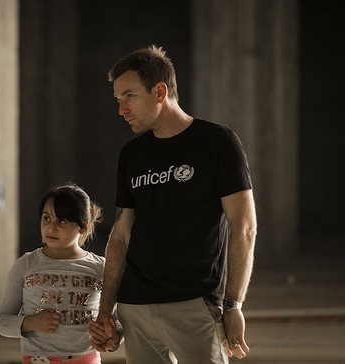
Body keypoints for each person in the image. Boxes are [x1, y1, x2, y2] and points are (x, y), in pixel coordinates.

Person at [89, 45, 257, 363]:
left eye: (129, 96)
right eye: (118, 100)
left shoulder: (218, 143)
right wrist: (106, 310)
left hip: (193, 303)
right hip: (135, 306)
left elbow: (244, 228)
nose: (121, 109)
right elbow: (121, 235)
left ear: (160, 91)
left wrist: (234, 304)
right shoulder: (132, 155)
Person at [0, 182, 122, 364]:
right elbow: (2, 322)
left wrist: (114, 339)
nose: (51, 227)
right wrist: (29, 323)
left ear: (83, 227)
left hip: (86, 359)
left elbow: (118, 320)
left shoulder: (101, 268)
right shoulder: (26, 264)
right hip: (38, 360)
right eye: (46, 218)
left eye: (61, 221)